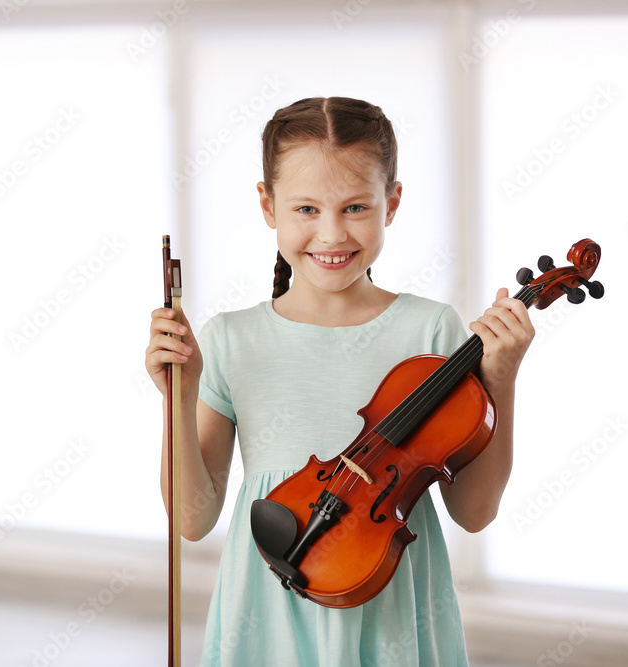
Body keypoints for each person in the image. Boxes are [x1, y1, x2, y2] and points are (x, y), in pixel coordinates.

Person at [146, 96, 535, 666]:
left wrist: (500, 377)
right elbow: (192, 521)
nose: (331, 234)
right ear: (267, 203)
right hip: (267, 620)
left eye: (355, 207)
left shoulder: (430, 329)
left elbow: (473, 513)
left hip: (392, 610)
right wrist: (177, 401)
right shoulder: (231, 339)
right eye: (306, 209)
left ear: (392, 202)